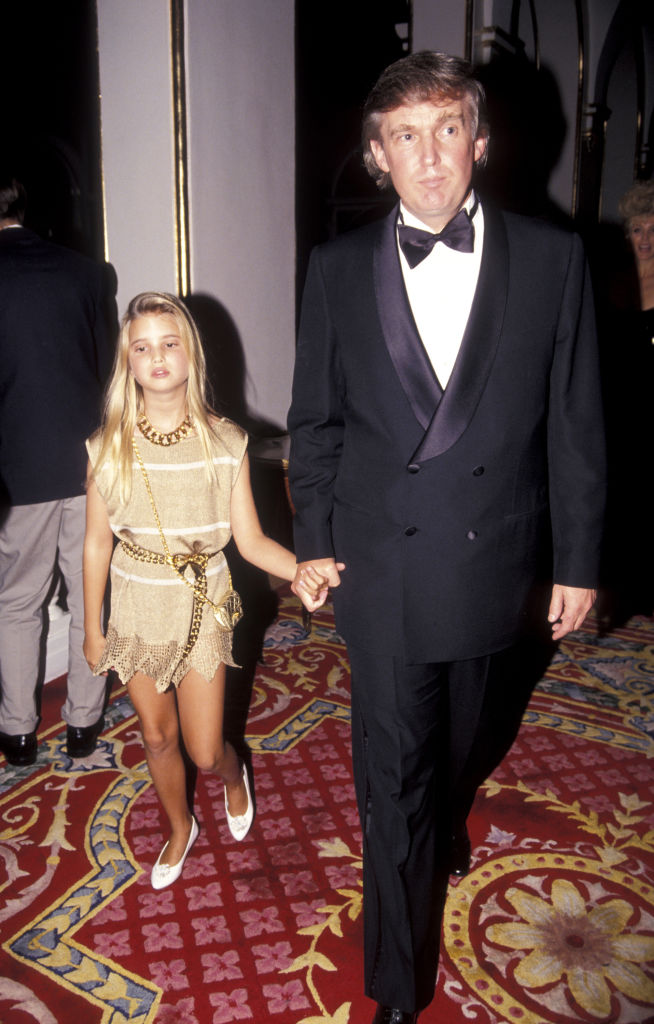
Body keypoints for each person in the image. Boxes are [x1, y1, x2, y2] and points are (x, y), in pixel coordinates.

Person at [287, 52, 605, 1023]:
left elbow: (575, 423)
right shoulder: (336, 269)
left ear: (481, 140)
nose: (429, 158)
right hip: (382, 564)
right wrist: (311, 538)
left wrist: (579, 560)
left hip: (492, 558)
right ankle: (396, 985)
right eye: (406, 136)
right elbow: (315, 422)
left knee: (464, 740)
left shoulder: (553, 259)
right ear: (377, 155)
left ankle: (444, 807)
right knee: (393, 780)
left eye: (447, 131)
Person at [83, 291, 326, 889]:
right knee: (155, 735)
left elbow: (251, 541)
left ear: (190, 353)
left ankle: (233, 775)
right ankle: (178, 826)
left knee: (204, 749)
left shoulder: (225, 442)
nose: (157, 357)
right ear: (127, 362)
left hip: (201, 604)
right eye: (142, 348)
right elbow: (95, 544)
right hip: (136, 602)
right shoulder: (107, 446)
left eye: (170, 343)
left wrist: (300, 569)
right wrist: (91, 628)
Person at [0, 175, 117, 767]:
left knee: (17, 602)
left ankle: (18, 732)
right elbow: (109, 374)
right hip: (91, 464)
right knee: (92, 595)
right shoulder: (86, 273)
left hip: (17, 469)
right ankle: (84, 725)